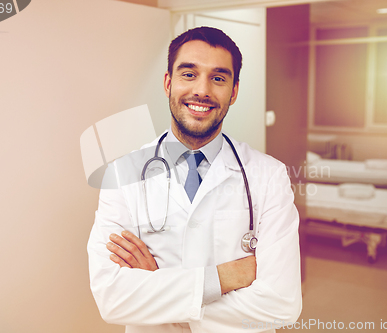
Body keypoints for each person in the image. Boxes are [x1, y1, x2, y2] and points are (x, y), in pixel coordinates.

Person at [87, 26, 302, 333]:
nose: (202, 90)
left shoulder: (269, 175)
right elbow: (112, 298)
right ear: (168, 82)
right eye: (189, 74)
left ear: (234, 90)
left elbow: (281, 305)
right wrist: (225, 277)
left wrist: (159, 291)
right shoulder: (123, 174)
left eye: (218, 78)